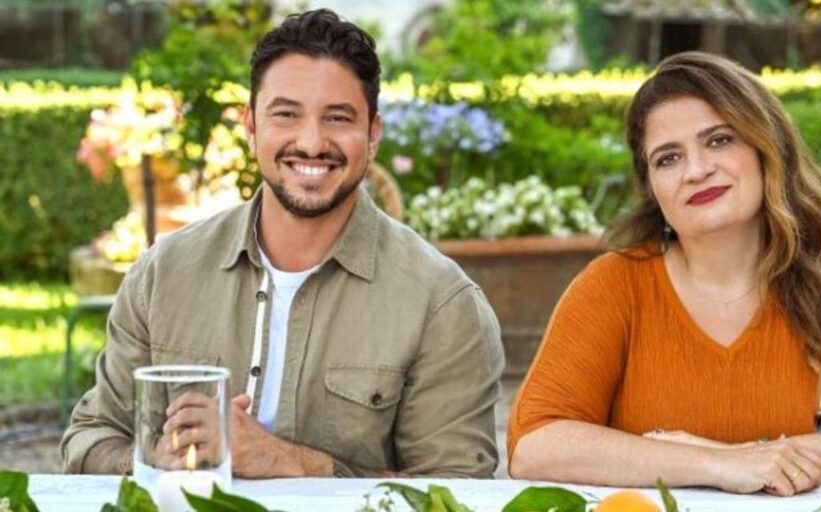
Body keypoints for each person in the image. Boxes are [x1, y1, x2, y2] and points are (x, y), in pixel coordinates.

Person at [61, 9, 505, 478]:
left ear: (372, 134)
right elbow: (89, 437)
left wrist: (289, 461)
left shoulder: (441, 303)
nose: (312, 143)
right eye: (286, 115)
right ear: (251, 126)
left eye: (338, 118)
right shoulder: (163, 274)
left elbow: (459, 492)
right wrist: (150, 460)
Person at [507, 51, 821, 495]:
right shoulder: (613, 286)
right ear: (653, 189)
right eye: (668, 158)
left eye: (719, 140)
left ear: (767, 150)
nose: (697, 170)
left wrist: (755, 456)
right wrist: (717, 463)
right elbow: (534, 444)